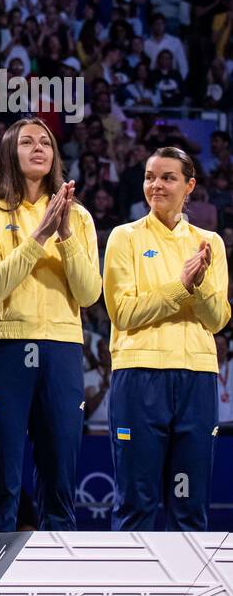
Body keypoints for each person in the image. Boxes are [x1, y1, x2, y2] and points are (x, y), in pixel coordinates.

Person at [0, 117, 101, 531]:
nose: (39, 147)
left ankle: (62, 581)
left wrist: (65, 236)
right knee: (2, 478)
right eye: (27, 142)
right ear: (10, 152)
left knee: (59, 478)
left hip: (61, 347)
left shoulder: (78, 218)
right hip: (4, 347)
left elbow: (89, 293)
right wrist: (39, 236)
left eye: (45, 142)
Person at [103, 147, 229, 531]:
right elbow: (123, 313)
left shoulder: (210, 243)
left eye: (168, 177)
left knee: (189, 507)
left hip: (196, 377)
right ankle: (128, 592)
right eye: (149, 176)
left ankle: (189, 593)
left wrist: (201, 283)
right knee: (136, 504)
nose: (156, 185)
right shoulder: (124, 238)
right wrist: (180, 287)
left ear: (189, 185)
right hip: (140, 376)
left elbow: (218, 319)